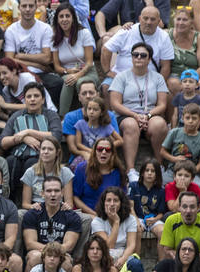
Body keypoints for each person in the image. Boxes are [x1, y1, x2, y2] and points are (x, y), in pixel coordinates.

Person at [109, 42, 169, 183]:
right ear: (131, 57)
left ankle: (159, 166)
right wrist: (135, 115)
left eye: (143, 55)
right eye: (135, 55)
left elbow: (162, 104)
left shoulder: (158, 77)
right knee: (131, 125)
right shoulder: (121, 77)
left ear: (149, 59)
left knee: (159, 124)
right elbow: (115, 103)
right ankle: (130, 170)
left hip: (150, 113)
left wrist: (148, 116)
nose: (139, 58)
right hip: (127, 114)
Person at [100, 6, 172, 115]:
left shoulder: (164, 37)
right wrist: (107, 71)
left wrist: (159, 83)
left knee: (165, 93)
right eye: (145, 18)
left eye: (152, 19)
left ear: (159, 21)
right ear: (139, 18)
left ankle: (155, 119)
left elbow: (166, 65)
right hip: (120, 75)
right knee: (106, 86)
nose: (148, 22)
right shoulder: (127, 31)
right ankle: (110, 121)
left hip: (149, 78)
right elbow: (106, 49)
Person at [0, 82, 63, 199]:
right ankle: (10, 200)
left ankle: (31, 201)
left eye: (36, 96)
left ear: (43, 99)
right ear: (24, 100)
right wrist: (23, 138)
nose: (32, 99)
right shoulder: (16, 116)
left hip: (41, 156)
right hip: (17, 156)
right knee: (11, 162)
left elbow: (56, 136)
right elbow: (3, 141)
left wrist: (29, 132)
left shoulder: (51, 115)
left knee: (31, 164)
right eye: (28, 96)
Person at [91, 186, 146, 272]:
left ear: (121, 203)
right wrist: (116, 222)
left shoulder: (130, 219)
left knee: (136, 264)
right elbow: (108, 246)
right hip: (104, 255)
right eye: (108, 200)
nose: (112, 204)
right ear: (103, 203)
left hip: (123, 254)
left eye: (115, 200)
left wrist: (122, 260)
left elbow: (131, 245)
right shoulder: (97, 221)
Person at [3, 0, 63, 107]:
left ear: (36, 7)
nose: (27, 9)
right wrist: (38, 64)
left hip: (41, 73)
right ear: (19, 8)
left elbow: (47, 58)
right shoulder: (11, 30)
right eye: (24, 6)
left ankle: (51, 114)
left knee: (57, 82)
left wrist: (20, 55)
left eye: (31, 6)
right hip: (19, 72)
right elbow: (9, 60)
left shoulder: (45, 28)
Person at [22, 175, 81, 272]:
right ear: (42, 194)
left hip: (61, 253)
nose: (53, 194)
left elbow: (69, 245)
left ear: (62, 193)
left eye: (57, 191)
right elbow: (30, 243)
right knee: (34, 257)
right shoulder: (33, 214)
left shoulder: (72, 216)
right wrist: (49, 252)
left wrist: (54, 253)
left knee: (66, 262)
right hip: (38, 251)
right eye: (49, 191)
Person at [51, 2, 97, 116]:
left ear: (73, 18)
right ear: (57, 19)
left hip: (87, 71)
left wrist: (77, 75)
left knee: (81, 83)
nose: (64, 19)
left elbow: (89, 62)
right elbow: (56, 67)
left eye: (67, 16)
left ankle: (91, 115)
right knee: (68, 81)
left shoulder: (84, 33)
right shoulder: (55, 38)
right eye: (61, 16)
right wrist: (68, 72)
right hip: (67, 72)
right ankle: (63, 118)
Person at [159, 191, 200, 267]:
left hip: (199, 265)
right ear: (179, 207)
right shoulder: (171, 220)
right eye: (184, 206)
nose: (188, 211)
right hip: (176, 263)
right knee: (161, 266)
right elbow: (167, 251)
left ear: (199, 207)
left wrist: (186, 257)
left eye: (192, 207)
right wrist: (189, 257)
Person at [72, 136, 126, 216]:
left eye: (107, 150)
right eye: (100, 149)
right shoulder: (82, 169)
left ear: (112, 153)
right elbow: (75, 197)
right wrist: (94, 215)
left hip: (112, 215)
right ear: (94, 151)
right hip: (88, 215)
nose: (103, 152)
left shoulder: (119, 171)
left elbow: (123, 198)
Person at [167, 8, 200, 97]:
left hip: (195, 75)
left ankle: (195, 110)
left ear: (191, 23)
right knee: (173, 83)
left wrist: (190, 79)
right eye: (178, 19)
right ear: (174, 21)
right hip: (174, 76)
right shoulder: (167, 35)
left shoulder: (199, 37)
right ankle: (180, 109)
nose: (181, 22)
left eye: (185, 20)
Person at [21, 137, 74, 210]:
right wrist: (32, 206)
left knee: (86, 218)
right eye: (43, 149)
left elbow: (69, 203)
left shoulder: (66, 172)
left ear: (57, 152)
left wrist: (66, 206)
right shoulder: (30, 172)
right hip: (37, 210)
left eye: (50, 149)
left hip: (58, 209)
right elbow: (25, 204)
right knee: (20, 214)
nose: (46, 152)